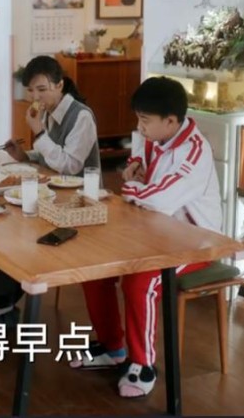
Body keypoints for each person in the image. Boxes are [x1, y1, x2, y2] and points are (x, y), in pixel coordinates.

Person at [70, 76, 222, 399]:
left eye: (145, 120)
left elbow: (159, 198)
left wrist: (130, 186)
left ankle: (143, 364)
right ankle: (112, 347)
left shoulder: (195, 152)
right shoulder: (156, 133)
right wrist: (134, 164)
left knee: (140, 281)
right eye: (138, 118)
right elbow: (140, 153)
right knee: (94, 268)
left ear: (171, 121)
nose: (139, 127)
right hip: (153, 230)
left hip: (196, 242)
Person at [0, 55, 101, 325]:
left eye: (42, 89)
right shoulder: (49, 112)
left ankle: (1, 301)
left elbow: (69, 165)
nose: (35, 97)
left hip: (78, 203)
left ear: (59, 85)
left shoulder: (81, 116)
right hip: (52, 195)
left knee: (10, 228)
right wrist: (25, 156)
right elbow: (52, 159)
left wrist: (39, 133)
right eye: (30, 90)